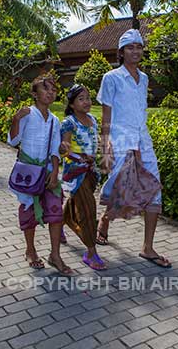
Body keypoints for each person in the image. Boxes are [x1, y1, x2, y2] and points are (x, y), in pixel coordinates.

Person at [95, 29, 171, 268]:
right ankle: (105, 220)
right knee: (121, 189)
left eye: (139, 47)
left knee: (153, 187)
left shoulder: (145, 78)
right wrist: (104, 147)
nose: (136, 51)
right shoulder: (112, 78)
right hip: (120, 140)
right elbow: (106, 115)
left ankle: (148, 247)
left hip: (143, 141)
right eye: (131, 47)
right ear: (121, 52)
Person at [8, 73, 73, 276]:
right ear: (35, 94)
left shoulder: (54, 120)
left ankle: (55, 255)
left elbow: (55, 148)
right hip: (28, 171)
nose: (50, 93)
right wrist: (16, 119)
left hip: (47, 171)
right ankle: (30, 250)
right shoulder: (28, 114)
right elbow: (13, 140)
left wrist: (54, 173)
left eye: (54, 90)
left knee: (56, 213)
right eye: (46, 89)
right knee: (28, 211)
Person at [59, 84, 107, 270]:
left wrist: (104, 156)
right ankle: (90, 251)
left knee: (75, 202)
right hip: (76, 173)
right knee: (88, 209)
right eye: (81, 99)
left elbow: (99, 142)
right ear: (71, 104)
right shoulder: (68, 123)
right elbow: (65, 148)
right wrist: (79, 157)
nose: (86, 102)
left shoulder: (93, 120)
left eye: (88, 97)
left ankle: (60, 223)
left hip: (92, 172)